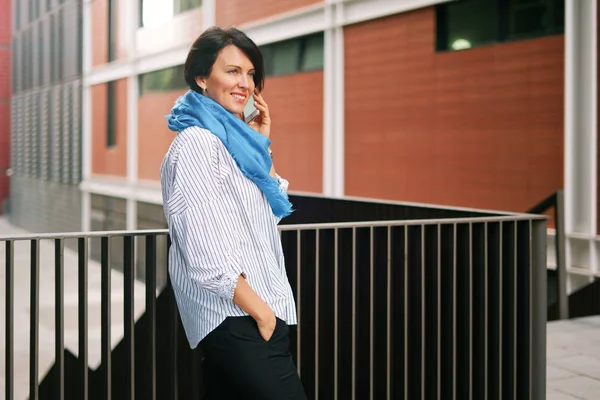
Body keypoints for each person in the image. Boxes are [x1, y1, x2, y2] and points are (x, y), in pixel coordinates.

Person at [160, 26, 306, 399]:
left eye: (250, 73)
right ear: (201, 77)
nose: (245, 83)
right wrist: (261, 313)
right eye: (232, 71)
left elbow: (264, 220)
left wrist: (260, 146)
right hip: (238, 316)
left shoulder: (233, 144)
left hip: (255, 312)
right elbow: (203, 248)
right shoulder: (198, 143)